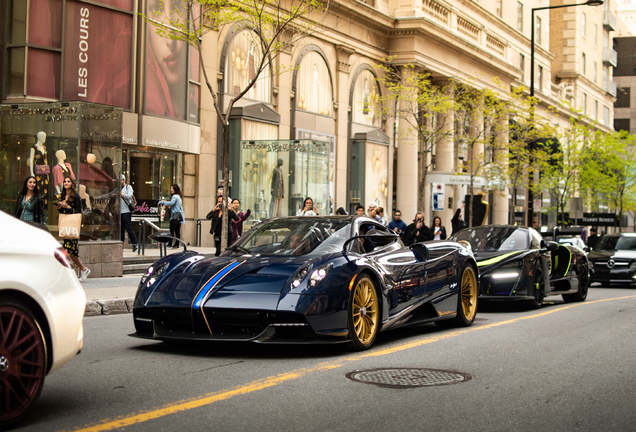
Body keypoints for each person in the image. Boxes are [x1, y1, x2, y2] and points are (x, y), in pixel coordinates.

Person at [56, 177, 90, 281]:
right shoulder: (62, 195)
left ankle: (81, 269)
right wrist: (60, 207)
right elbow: (63, 211)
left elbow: (79, 212)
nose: (66, 183)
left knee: (69, 251)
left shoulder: (76, 196)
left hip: (72, 226)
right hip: (66, 226)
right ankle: (81, 270)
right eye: (65, 181)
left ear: (72, 184)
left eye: (68, 181)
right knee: (71, 251)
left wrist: (68, 207)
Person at [158, 184, 185, 248]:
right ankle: (177, 244)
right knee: (177, 231)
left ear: (175, 190)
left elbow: (171, 203)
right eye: (171, 188)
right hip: (179, 216)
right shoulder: (178, 197)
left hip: (175, 216)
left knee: (172, 230)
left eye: (172, 189)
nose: (171, 190)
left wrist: (162, 202)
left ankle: (170, 244)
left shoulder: (175, 196)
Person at [120, 175, 139, 252]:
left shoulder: (128, 187)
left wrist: (122, 194)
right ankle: (121, 245)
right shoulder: (118, 188)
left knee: (128, 227)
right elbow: (110, 194)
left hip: (127, 211)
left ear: (123, 180)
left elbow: (129, 195)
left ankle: (135, 243)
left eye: (120, 180)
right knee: (121, 229)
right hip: (120, 211)